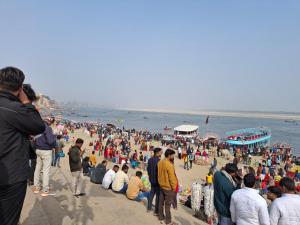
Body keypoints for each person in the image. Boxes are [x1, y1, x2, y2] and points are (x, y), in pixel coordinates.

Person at [0, 67, 45, 225]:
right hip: (11, 177)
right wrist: (26, 102)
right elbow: (39, 126)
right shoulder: (16, 109)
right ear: (20, 88)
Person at [33, 117, 57, 197]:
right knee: (46, 170)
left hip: (38, 149)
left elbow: (33, 138)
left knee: (37, 168)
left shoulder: (37, 127)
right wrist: (54, 137)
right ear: (49, 121)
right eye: (52, 122)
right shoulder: (48, 128)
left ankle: (36, 187)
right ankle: (45, 190)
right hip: (46, 151)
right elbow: (50, 141)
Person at [158, 149, 178, 225]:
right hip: (168, 187)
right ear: (169, 155)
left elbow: (159, 174)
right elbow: (172, 178)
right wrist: (174, 188)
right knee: (167, 205)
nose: (173, 156)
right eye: (173, 155)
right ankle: (168, 221)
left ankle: (160, 216)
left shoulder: (160, 162)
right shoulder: (169, 165)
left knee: (161, 202)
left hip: (161, 185)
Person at [147, 147, 162, 215]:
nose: (161, 153)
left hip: (151, 179)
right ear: (158, 153)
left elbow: (148, 169)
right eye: (161, 152)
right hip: (157, 181)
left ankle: (149, 208)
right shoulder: (159, 161)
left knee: (151, 194)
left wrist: (150, 176)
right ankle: (156, 211)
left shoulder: (150, 159)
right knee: (158, 196)